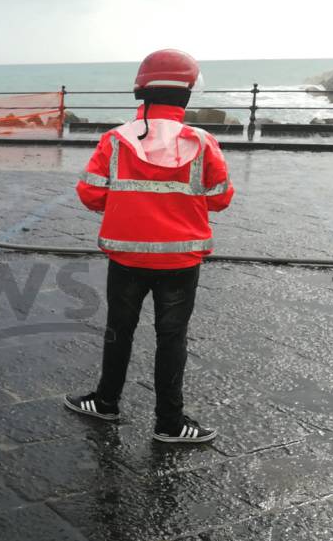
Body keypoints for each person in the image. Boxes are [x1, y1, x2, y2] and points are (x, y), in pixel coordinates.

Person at [64, 49, 234, 444]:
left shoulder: (116, 140)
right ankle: (170, 424)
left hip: (126, 258)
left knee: (118, 330)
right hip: (180, 260)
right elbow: (221, 198)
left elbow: (90, 195)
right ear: (187, 94)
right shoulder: (203, 142)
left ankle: (106, 403)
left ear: (142, 91)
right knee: (172, 338)